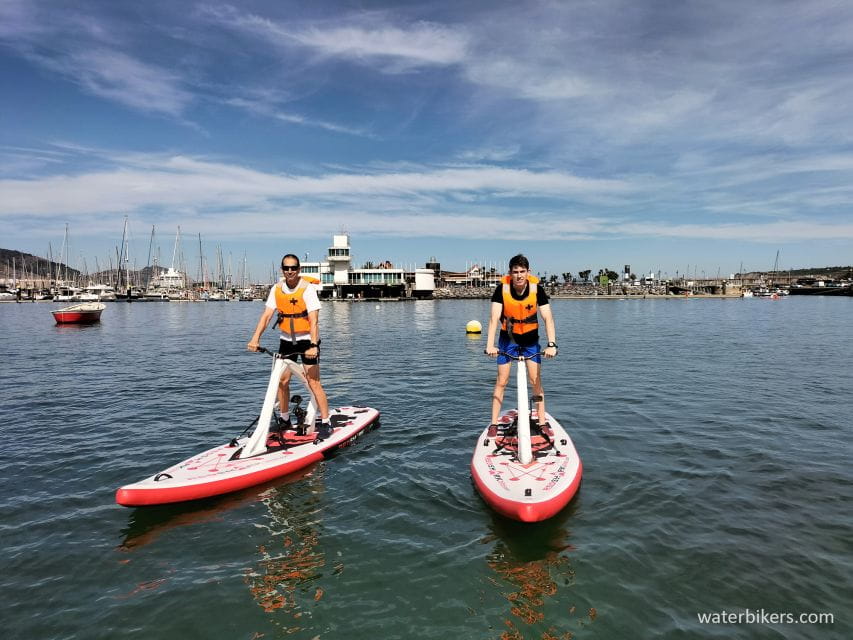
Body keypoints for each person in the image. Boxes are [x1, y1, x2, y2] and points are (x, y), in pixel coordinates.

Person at [247, 254, 333, 439]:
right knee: (282, 381)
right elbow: (266, 316)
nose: (290, 271)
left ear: (299, 269)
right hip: (285, 341)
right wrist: (255, 338)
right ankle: (285, 420)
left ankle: (326, 421)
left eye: (293, 267)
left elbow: (314, 320)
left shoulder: (307, 289)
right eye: (286, 268)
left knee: (313, 382)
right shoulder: (276, 289)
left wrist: (313, 345)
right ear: (282, 270)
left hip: (306, 341)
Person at [485, 254, 558, 433]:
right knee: (501, 381)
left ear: (528, 272)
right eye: (515, 272)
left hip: (530, 341)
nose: (519, 275)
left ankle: (542, 423)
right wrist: (490, 345)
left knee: (535, 380)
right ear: (510, 273)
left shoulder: (537, 290)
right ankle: (494, 424)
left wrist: (552, 344)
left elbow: (548, 317)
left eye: (522, 271)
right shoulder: (501, 290)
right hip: (507, 341)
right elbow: (494, 319)